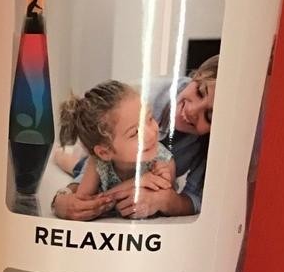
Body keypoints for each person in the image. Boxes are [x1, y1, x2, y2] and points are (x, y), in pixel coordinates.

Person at [53, 56, 218, 220]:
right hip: (107, 158)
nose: (192, 110)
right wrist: (63, 197)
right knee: (78, 165)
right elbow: (85, 194)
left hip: (113, 161)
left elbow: (178, 195)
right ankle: (63, 156)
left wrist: (161, 198)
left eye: (209, 116)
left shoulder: (163, 159)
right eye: (199, 92)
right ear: (195, 76)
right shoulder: (137, 100)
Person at [58, 81, 175, 211]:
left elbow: (167, 200)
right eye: (135, 132)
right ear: (104, 152)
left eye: (150, 118)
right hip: (91, 163)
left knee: (77, 166)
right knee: (72, 165)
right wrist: (135, 183)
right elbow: (84, 202)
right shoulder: (98, 162)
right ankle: (58, 153)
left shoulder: (162, 161)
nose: (152, 134)